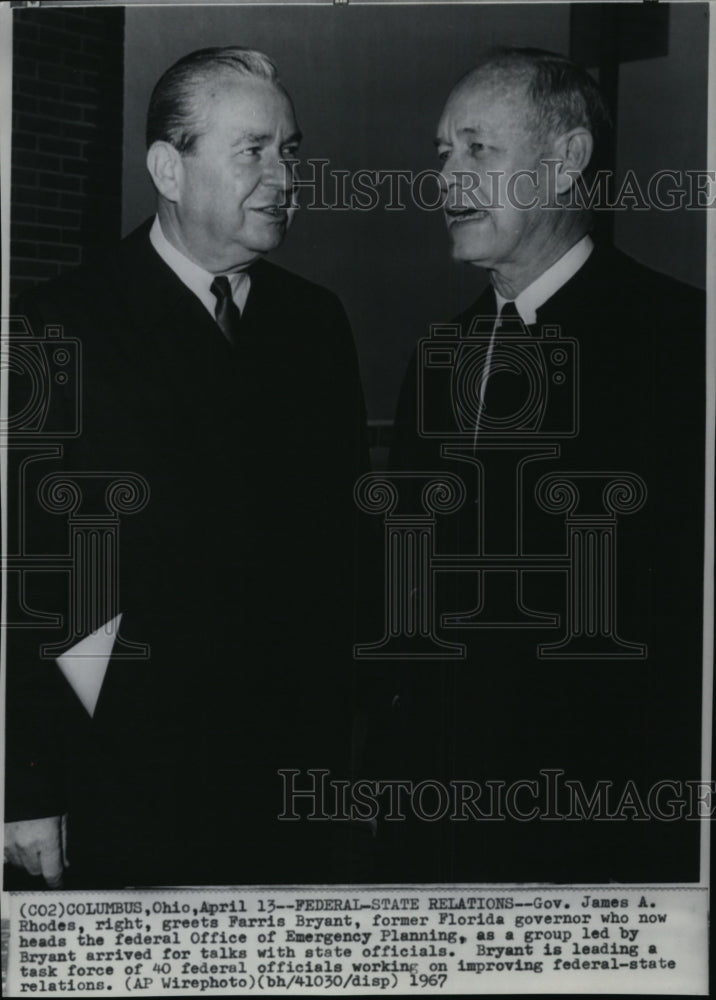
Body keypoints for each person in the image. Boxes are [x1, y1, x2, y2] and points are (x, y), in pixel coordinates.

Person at [5, 47, 368, 887]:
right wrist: (26, 785)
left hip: (292, 782)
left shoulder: (315, 324)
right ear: (169, 168)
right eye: (253, 150)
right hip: (131, 782)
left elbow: (343, 554)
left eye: (291, 150)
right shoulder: (60, 323)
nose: (283, 176)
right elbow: (28, 575)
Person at [380, 47, 705, 882]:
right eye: (444, 154)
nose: (448, 179)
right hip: (442, 833)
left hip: (612, 836)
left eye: (478, 149)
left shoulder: (683, 342)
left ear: (566, 161)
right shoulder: (439, 353)